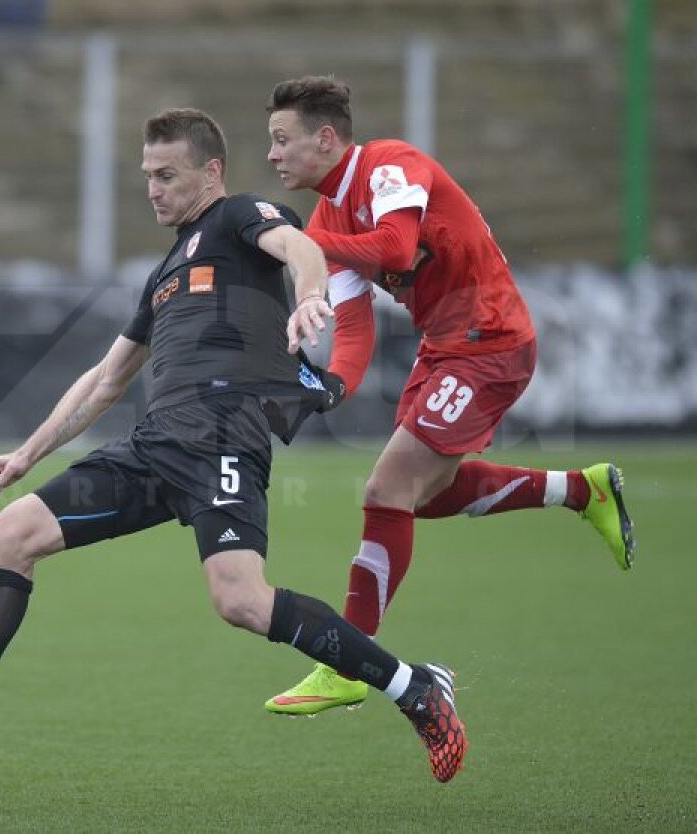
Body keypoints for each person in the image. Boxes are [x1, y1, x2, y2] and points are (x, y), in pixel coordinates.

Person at [0, 107, 468, 783]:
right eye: (147, 174)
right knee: (10, 534)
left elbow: (299, 247)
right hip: (155, 447)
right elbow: (106, 378)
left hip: (222, 436)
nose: (152, 187)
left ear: (211, 170)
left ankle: (413, 686)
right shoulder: (167, 271)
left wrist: (311, 296)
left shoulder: (240, 216)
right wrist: (25, 455)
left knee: (239, 600)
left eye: (166, 174)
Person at [261, 76, 636, 716]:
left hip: (491, 340)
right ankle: (582, 489)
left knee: (386, 493)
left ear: (326, 139)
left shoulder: (389, 165)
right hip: (448, 347)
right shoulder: (327, 217)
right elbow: (353, 329)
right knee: (421, 499)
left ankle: (349, 662)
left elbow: (397, 246)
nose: (272, 156)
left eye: (281, 140)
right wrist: (331, 388)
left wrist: (306, 243)